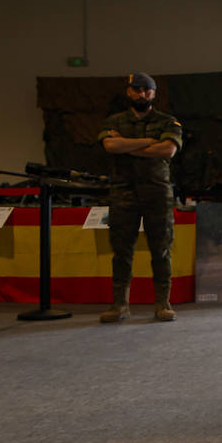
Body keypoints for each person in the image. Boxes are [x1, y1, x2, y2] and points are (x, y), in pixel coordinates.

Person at [97, 72, 183, 323]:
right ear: (129, 92)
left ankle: (162, 304)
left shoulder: (169, 122)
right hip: (124, 192)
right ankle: (119, 305)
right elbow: (109, 147)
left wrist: (127, 144)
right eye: (137, 89)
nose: (142, 94)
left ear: (154, 94)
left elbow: (168, 149)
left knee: (161, 249)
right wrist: (147, 142)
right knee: (122, 251)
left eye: (147, 90)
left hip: (157, 193)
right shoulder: (114, 121)